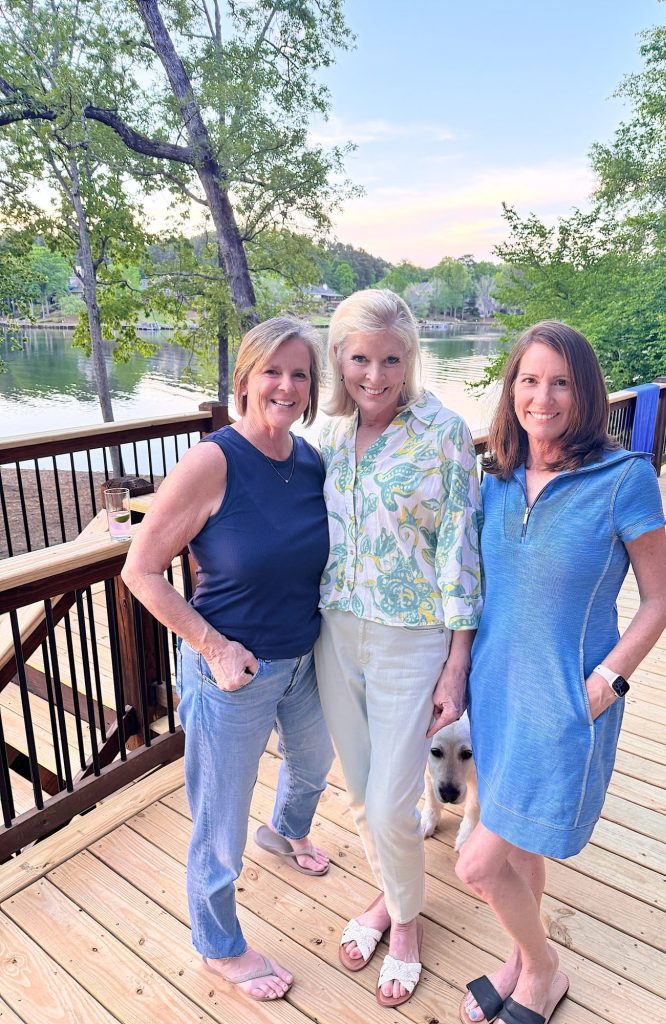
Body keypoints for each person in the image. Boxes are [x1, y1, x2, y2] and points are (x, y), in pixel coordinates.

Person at [456, 321, 666, 1024]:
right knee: (516, 854)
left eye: (560, 382)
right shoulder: (495, 481)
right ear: (511, 389)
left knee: (478, 865)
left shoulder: (624, 479)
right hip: (495, 702)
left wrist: (607, 681)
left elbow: (658, 599)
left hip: (562, 709)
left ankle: (545, 971)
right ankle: (521, 959)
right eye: (528, 380)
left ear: (586, 394)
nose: (542, 397)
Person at [122, 317, 334, 1004]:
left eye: (300, 373)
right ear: (244, 379)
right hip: (234, 675)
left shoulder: (309, 460)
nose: (287, 385)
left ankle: (288, 833)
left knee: (314, 763)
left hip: (303, 660)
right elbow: (141, 570)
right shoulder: (213, 462)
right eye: (273, 371)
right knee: (219, 822)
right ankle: (218, 944)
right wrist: (213, 646)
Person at [314, 288, 482, 1008]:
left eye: (390, 359)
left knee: (391, 805)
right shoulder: (321, 434)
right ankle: (391, 897)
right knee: (359, 794)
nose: (374, 376)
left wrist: (457, 662)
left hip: (412, 638)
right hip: (332, 632)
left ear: (410, 357)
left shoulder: (443, 430)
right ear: (339, 360)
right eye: (359, 359)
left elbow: (461, 549)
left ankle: (405, 927)